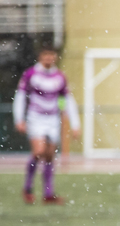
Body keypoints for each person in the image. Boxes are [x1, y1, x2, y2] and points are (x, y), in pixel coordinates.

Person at [14, 45, 80, 205]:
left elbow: (67, 99)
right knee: (39, 152)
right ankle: (28, 188)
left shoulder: (60, 76)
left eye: (51, 55)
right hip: (35, 117)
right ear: (40, 57)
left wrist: (75, 123)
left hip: (52, 119)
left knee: (50, 156)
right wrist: (19, 119)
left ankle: (48, 194)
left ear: (55, 57)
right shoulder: (31, 74)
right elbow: (21, 96)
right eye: (46, 55)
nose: (49, 58)